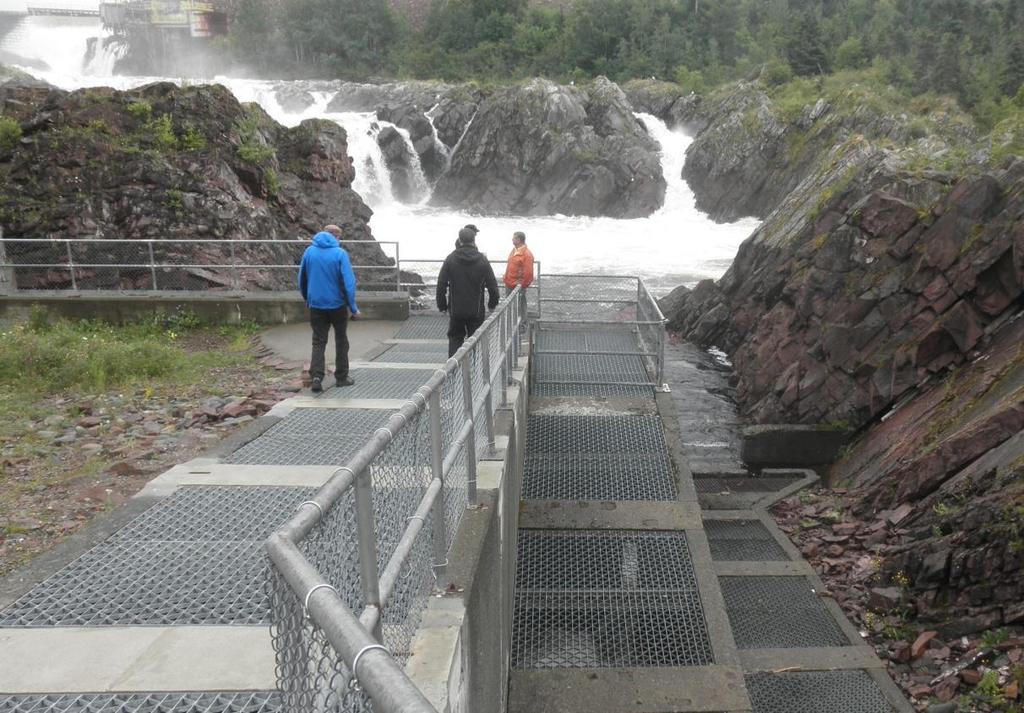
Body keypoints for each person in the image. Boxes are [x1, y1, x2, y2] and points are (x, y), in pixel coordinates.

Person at [298, 224, 360, 393]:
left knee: (318, 341)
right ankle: (341, 377)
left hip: (316, 304)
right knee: (341, 340)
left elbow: (301, 278)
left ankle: (317, 377)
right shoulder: (340, 254)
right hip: (337, 304)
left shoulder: (309, 252)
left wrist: (307, 298)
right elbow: (349, 284)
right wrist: (353, 307)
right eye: (339, 237)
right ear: (336, 236)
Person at [437, 226, 499, 357]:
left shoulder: (451, 258)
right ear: (474, 240)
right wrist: (492, 304)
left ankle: (454, 373)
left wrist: (442, 306)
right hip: (476, 311)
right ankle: (474, 370)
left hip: (456, 309)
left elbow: (441, 284)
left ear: (460, 240)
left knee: (455, 339)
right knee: (475, 341)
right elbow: (492, 285)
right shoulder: (482, 260)